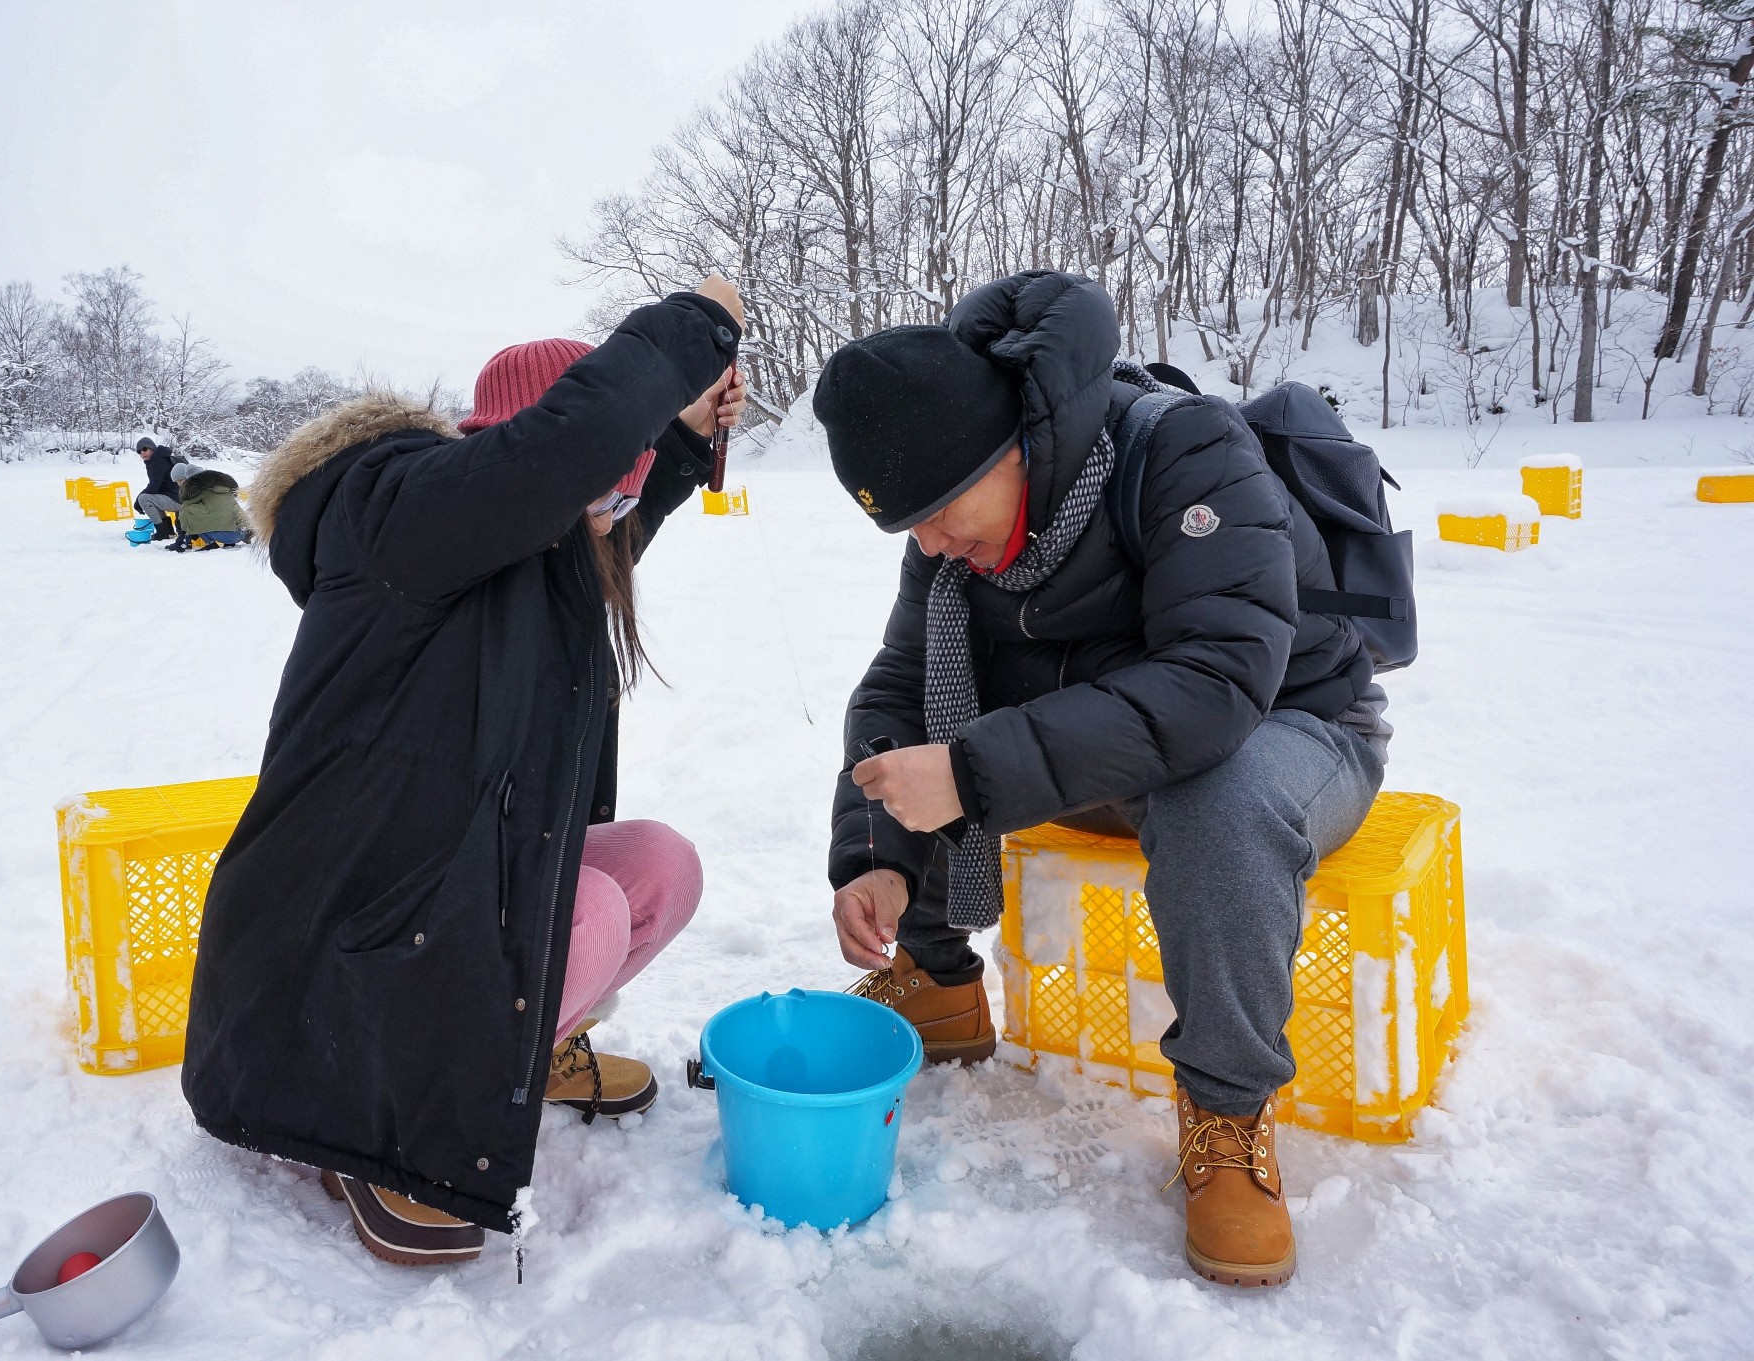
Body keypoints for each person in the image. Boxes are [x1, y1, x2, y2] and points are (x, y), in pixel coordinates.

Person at [812, 270, 1388, 1290]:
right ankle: (940, 980)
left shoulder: (1184, 449)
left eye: (942, 508)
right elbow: (901, 688)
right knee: (939, 720)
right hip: (1121, 754)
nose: (933, 542)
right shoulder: (955, 547)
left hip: (1289, 731)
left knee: (1210, 785)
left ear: (1007, 447)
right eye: (908, 528)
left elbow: (1213, 687)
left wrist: (971, 770)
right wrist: (878, 859)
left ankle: (1224, 1111)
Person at [183, 276, 747, 1269]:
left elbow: (606, 503)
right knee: (587, 918)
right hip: (328, 943)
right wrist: (694, 328)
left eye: (628, 487)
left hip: (423, 895)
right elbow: (570, 459)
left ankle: (521, 1055)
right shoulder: (399, 517)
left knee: (658, 863)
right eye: (607, 483)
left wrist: (686, 437)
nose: (618, 508)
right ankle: (375, 1132)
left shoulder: (536, 537)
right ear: (516, 455)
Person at [165, 461, 251, 549]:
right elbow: (236, 511)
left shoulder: (199, 490)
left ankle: (198, 543)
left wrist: (188, 533)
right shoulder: (224, 487)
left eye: (181, 480)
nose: (179, 484)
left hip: (224, 536)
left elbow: (184, 510)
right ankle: (228, 543)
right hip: (241, 533)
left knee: (186, 512)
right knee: (218, 511)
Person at [132, 437, 182, 538]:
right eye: (139, 451)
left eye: (144, 449)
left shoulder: (158, 461)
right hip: (176, 497)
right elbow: (155, 486)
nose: (142, 452)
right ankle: (168, 531)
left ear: (152, 448)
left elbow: (154, 485)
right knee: (151, 497)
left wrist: (138, 501)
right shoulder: (156, 460)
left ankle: (162, 532)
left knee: (144, 499)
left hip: (178, 500)